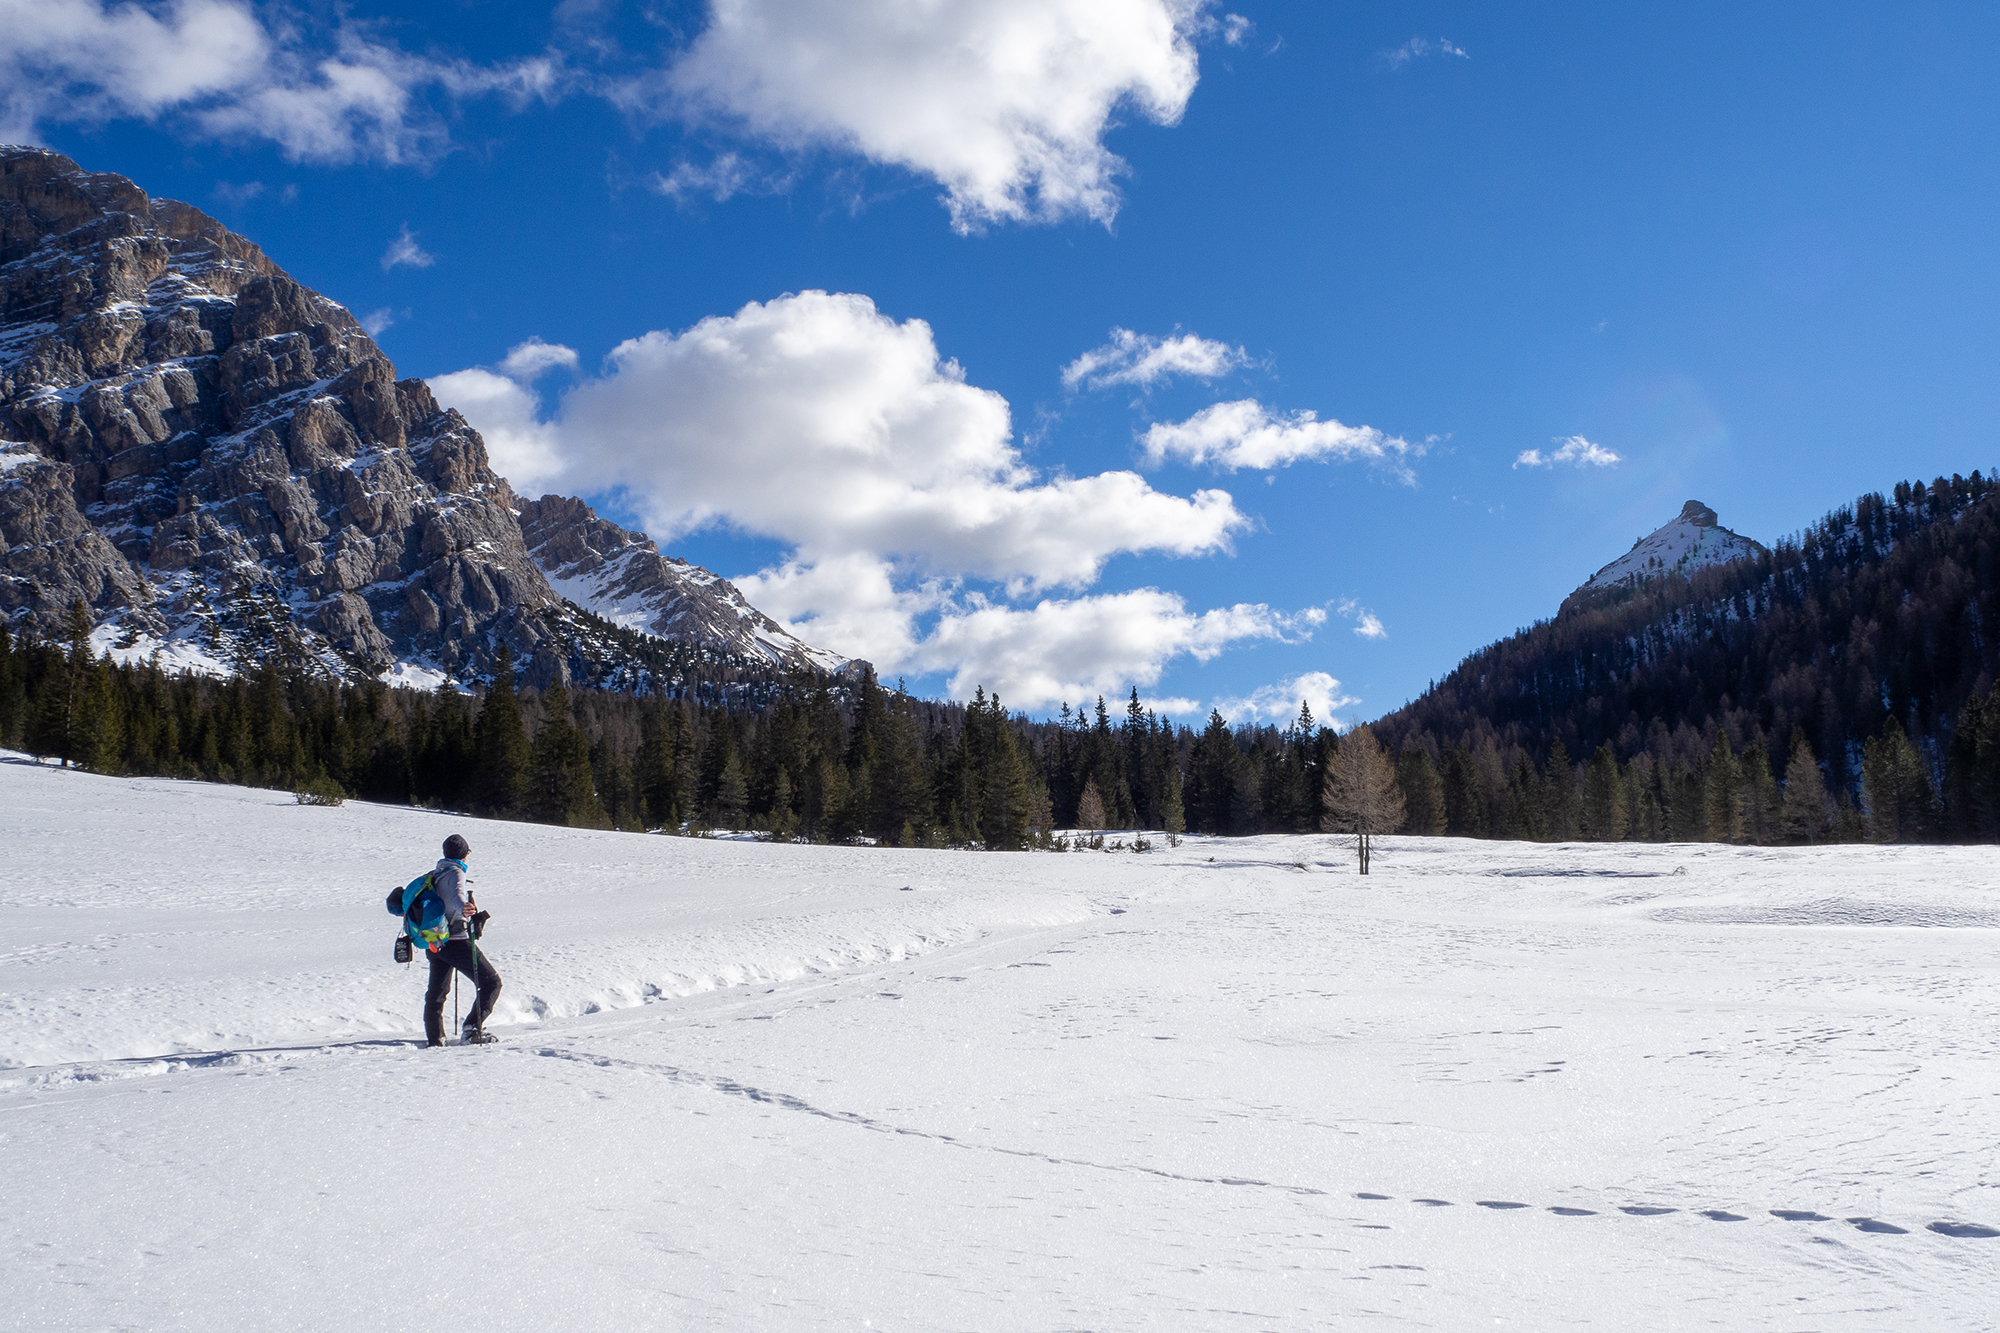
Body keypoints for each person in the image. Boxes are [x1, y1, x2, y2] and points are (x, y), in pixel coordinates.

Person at [421, 833, 502, 1046]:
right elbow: (457, 896)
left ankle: (434, 1038)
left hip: (436, 939)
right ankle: (471, 1029)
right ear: (464, 854)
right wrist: (465, 909)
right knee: (491, 982)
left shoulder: (436, 872)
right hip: (456, 940)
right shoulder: (455, 873)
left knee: (437, 992)